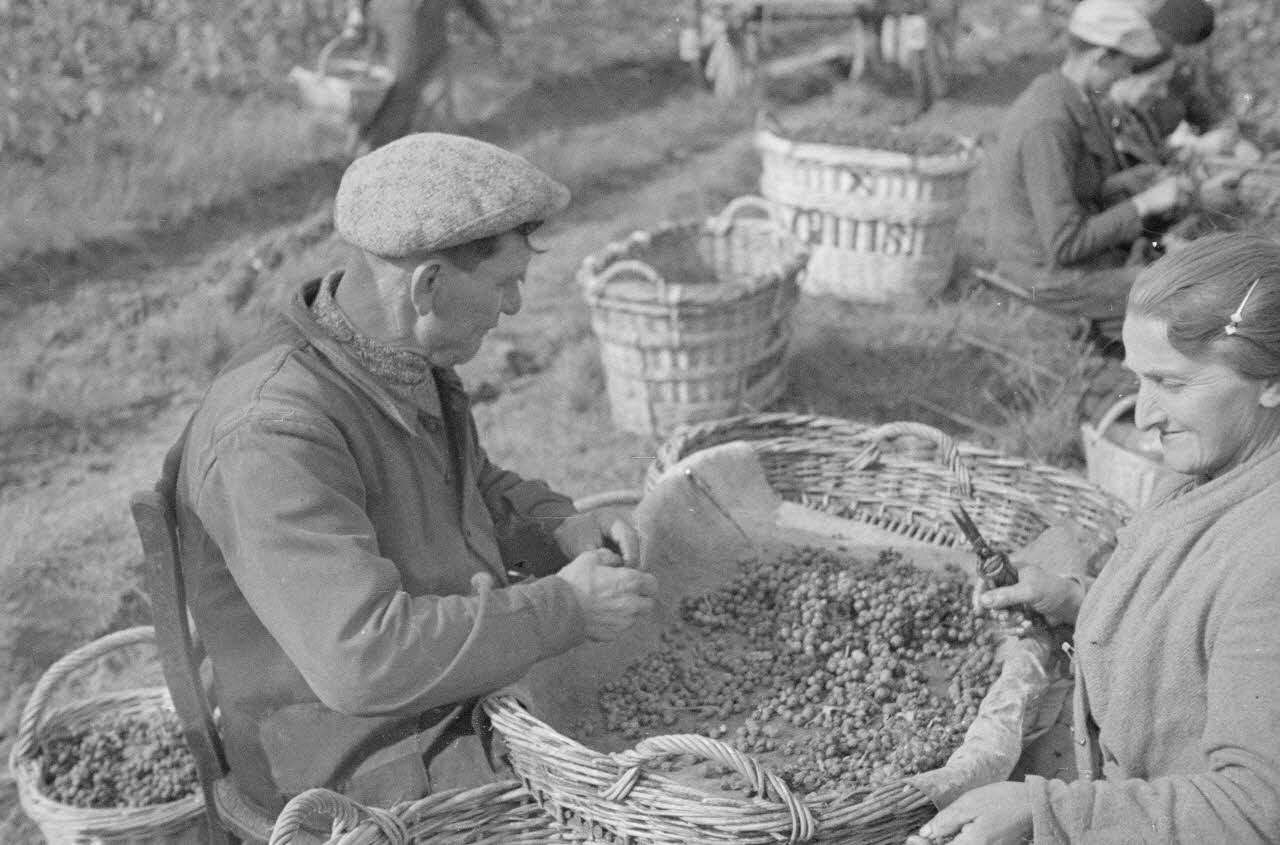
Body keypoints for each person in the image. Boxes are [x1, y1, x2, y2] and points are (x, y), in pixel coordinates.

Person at [174, 132, 658, 815]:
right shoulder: (273, 432)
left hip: (431, 689)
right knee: (616, 801)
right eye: (503, 283)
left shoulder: (397, 359)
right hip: (339, 760)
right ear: (427, 285)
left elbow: (470, 488)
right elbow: (362, 660)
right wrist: (566, 607)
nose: (515, 305)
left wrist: (560, 528)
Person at [907, 230, 1280, 843]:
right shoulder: (1214, 469)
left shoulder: (1268, 561)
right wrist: (1079, 602)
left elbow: (1254, 812)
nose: (1144, 416)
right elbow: (1192, 631)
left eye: (1173, 384)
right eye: (1138, 380)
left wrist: (1048, 813)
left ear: (1272, 379)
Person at [986, 0, 1193, 341]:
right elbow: (1066, 244)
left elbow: (1075, 192)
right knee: (1190, 300)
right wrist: (1144, 204)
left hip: (1066, 266)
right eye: (1123, 67)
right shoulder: (1049, 122)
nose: (1124, 78)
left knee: (1184, 270)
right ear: (1100, 58)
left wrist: (1122, 183)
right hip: (1046, 278)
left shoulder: (1075, 97)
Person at [341, 0, 501, 152]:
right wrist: (355, 11)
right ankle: (365, 151)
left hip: (430, 35)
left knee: (411, 99)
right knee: (392, 91)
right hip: (393, 22)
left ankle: (389, 151)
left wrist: (491, 29)